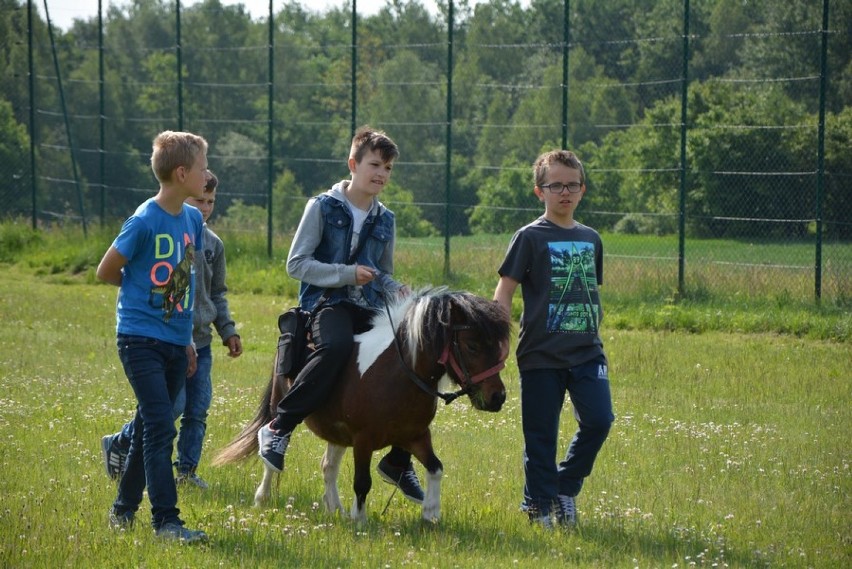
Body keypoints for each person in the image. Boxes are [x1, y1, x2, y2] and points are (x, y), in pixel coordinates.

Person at [257, 126, 425, 503]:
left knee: (415, 356)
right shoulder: (321, 207)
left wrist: (395, 289)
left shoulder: (387, 219)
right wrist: (346, 274)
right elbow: (296, 264)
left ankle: (400, 460)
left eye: (388, 168)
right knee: (334, 348)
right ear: (353, 164)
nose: (382, 174)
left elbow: (381, 272)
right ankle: (279, 428)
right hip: (325, 305)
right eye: (375, 164)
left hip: (368, 307)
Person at [96, 130, 210, 543]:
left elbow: (183, 280)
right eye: (201, 168)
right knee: (162, 427)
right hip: (139, 338)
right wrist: (139, 292)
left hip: (175, 342)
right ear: (181, 174)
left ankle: (122, 511)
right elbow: (106, 270)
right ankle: (166, 522)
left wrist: (186, 339)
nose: (206, 174)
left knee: (151, 425)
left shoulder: (193, 220)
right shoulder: (144, 220)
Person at [492, 149, 614, 529]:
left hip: (587, 353)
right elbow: (505, 289)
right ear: (539, 191)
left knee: (599, 420)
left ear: (583, 190)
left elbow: (591, 290)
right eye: (556, 185)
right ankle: (541, 510)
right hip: (540, 355)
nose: (565, 192)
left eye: (572, 185)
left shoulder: (591, 239)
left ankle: (565, 487)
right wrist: (500, 336)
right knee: (540, 438)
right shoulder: (529, 237)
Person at [101, 171, 243, 490]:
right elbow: (172, 291)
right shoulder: (167, 229)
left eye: (211, 202)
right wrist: (184, 337)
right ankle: (122, 441)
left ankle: (187, 471)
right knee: (170, 408)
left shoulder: (214, 245)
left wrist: (228, 330)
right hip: (173, 339)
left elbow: (217, 293)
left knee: (197, 408)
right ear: (184, 199)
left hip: (202, 343)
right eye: (199, 201)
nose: (205, 208)